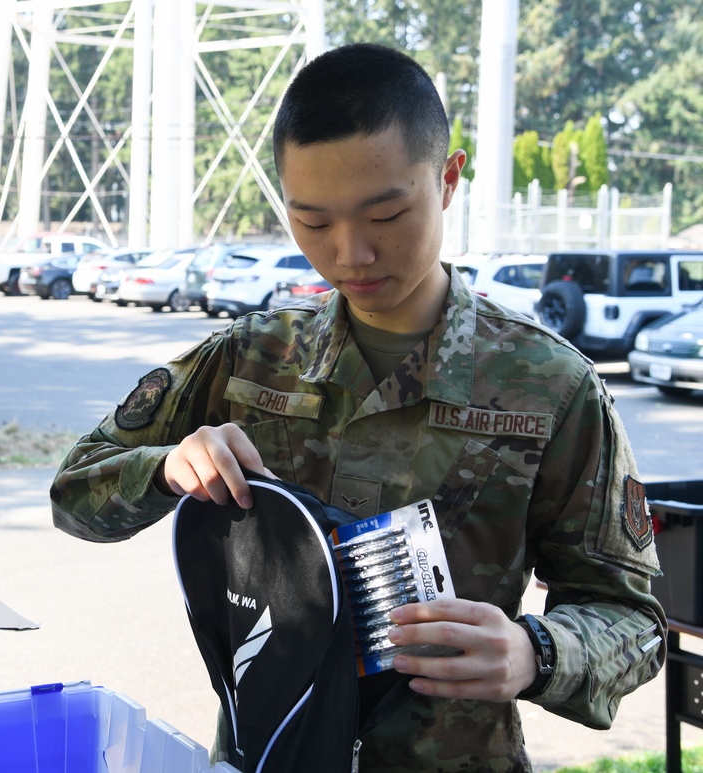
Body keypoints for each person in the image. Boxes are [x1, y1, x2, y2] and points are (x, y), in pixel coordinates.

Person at [51, 43, 666, 771]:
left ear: (447, 179)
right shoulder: (249, 359)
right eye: (312, 223)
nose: (351, 255)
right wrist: (167, 467)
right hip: (269, 755)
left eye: (385, 214)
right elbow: (75, 493)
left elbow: (634, 619)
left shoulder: (550, 387)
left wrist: (534, 652)